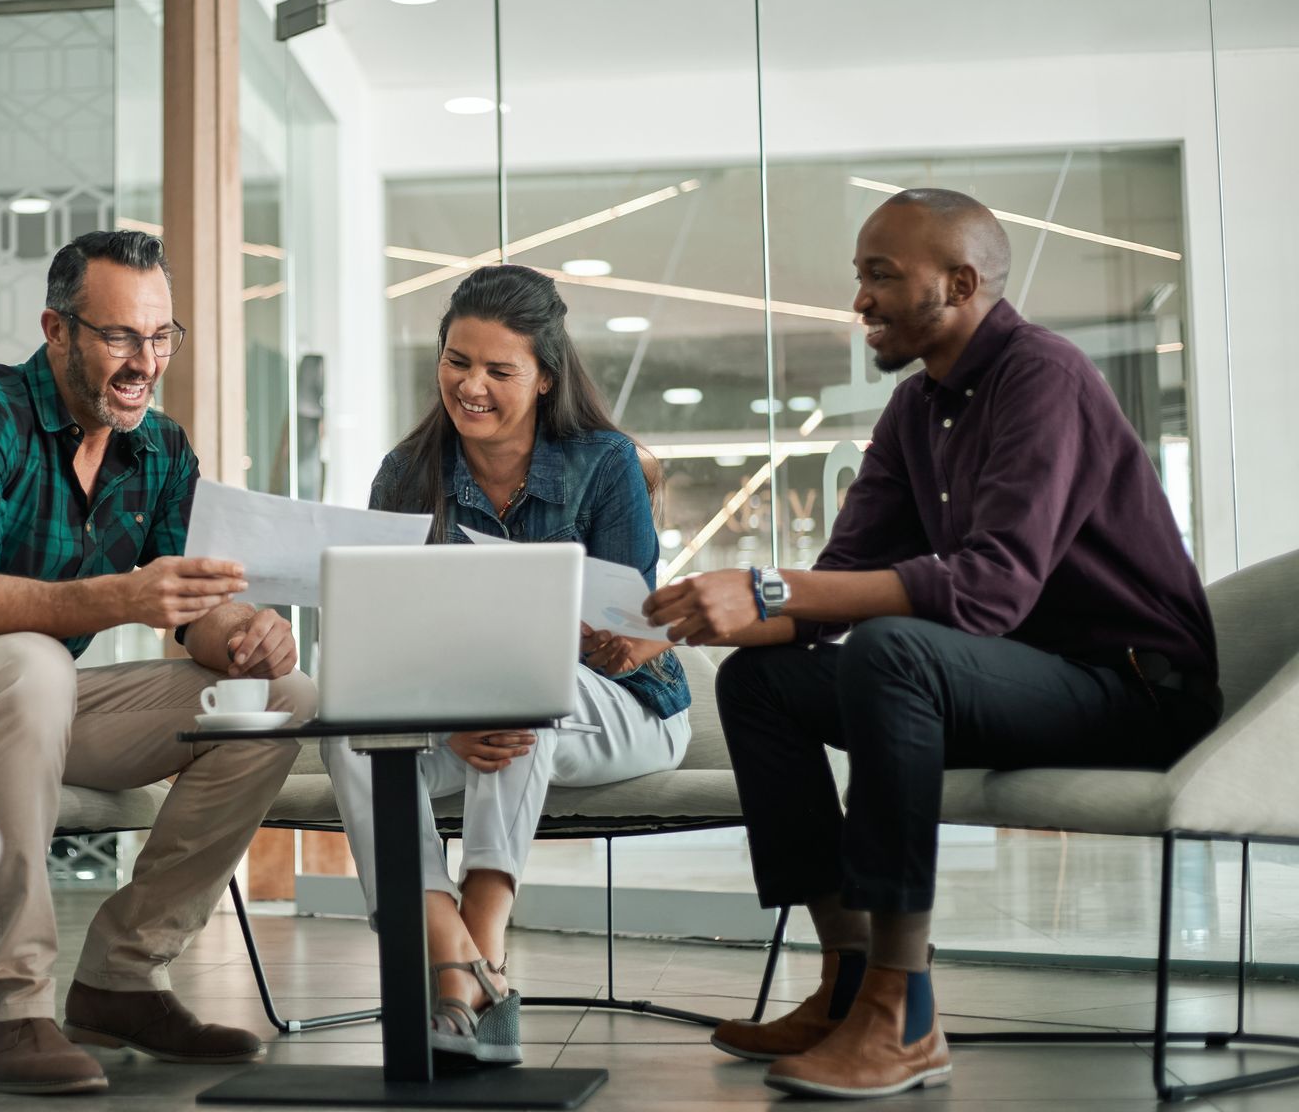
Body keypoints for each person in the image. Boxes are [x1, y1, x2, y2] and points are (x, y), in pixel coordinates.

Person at [643, 188, 1220, 1100]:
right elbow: (836, 589)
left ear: (958, 283)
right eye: (860, 277)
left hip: (1134, 690)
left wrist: (767, 586)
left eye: (880, 276)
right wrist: (680, 625)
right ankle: (845, 981)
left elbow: (988, 588)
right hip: (1013, 680)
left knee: (893, 650)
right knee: (763, 681)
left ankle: (904, 1014)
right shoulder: (918, 412)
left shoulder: (1046, 377)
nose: (860, 300)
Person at [0, 230, 317, 1097]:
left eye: (160, 338)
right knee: (33, 660)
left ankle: (122, 977)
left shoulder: (159, 450)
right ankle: (9, 1010)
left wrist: (244, 634)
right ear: (57, 328)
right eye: (120, 337)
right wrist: (125, 596)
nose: (143, 363)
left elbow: (181, 604)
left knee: (279, 696)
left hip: (20, 701)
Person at [322, 263, 693, 1065]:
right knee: (348, 733)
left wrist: (618, 638)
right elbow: (388, 634)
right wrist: (446, 718)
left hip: (621, 708)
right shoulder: (406, 473)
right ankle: (454, 963)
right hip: (467, 713)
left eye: (499, 369)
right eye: (458, 362)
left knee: (518, 689)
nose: (472, 386)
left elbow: (639, 621)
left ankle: (476, 948)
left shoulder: (603, 462)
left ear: (545, 377)